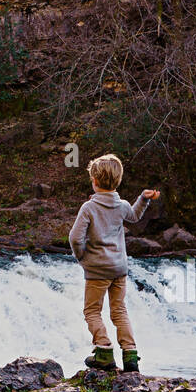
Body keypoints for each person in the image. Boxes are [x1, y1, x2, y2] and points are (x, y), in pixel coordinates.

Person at [67, 153, 159, 372]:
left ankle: (104, 350)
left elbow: (74, 238)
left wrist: (82, 257)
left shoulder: (88, 208)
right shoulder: (121, 205)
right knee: (119, 311)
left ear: (95, 181)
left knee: (92, 311)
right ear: (117, 181)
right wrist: (143, 199)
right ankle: (130, 356)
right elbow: (135, 216)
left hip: (97, 269)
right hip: (119, 268)